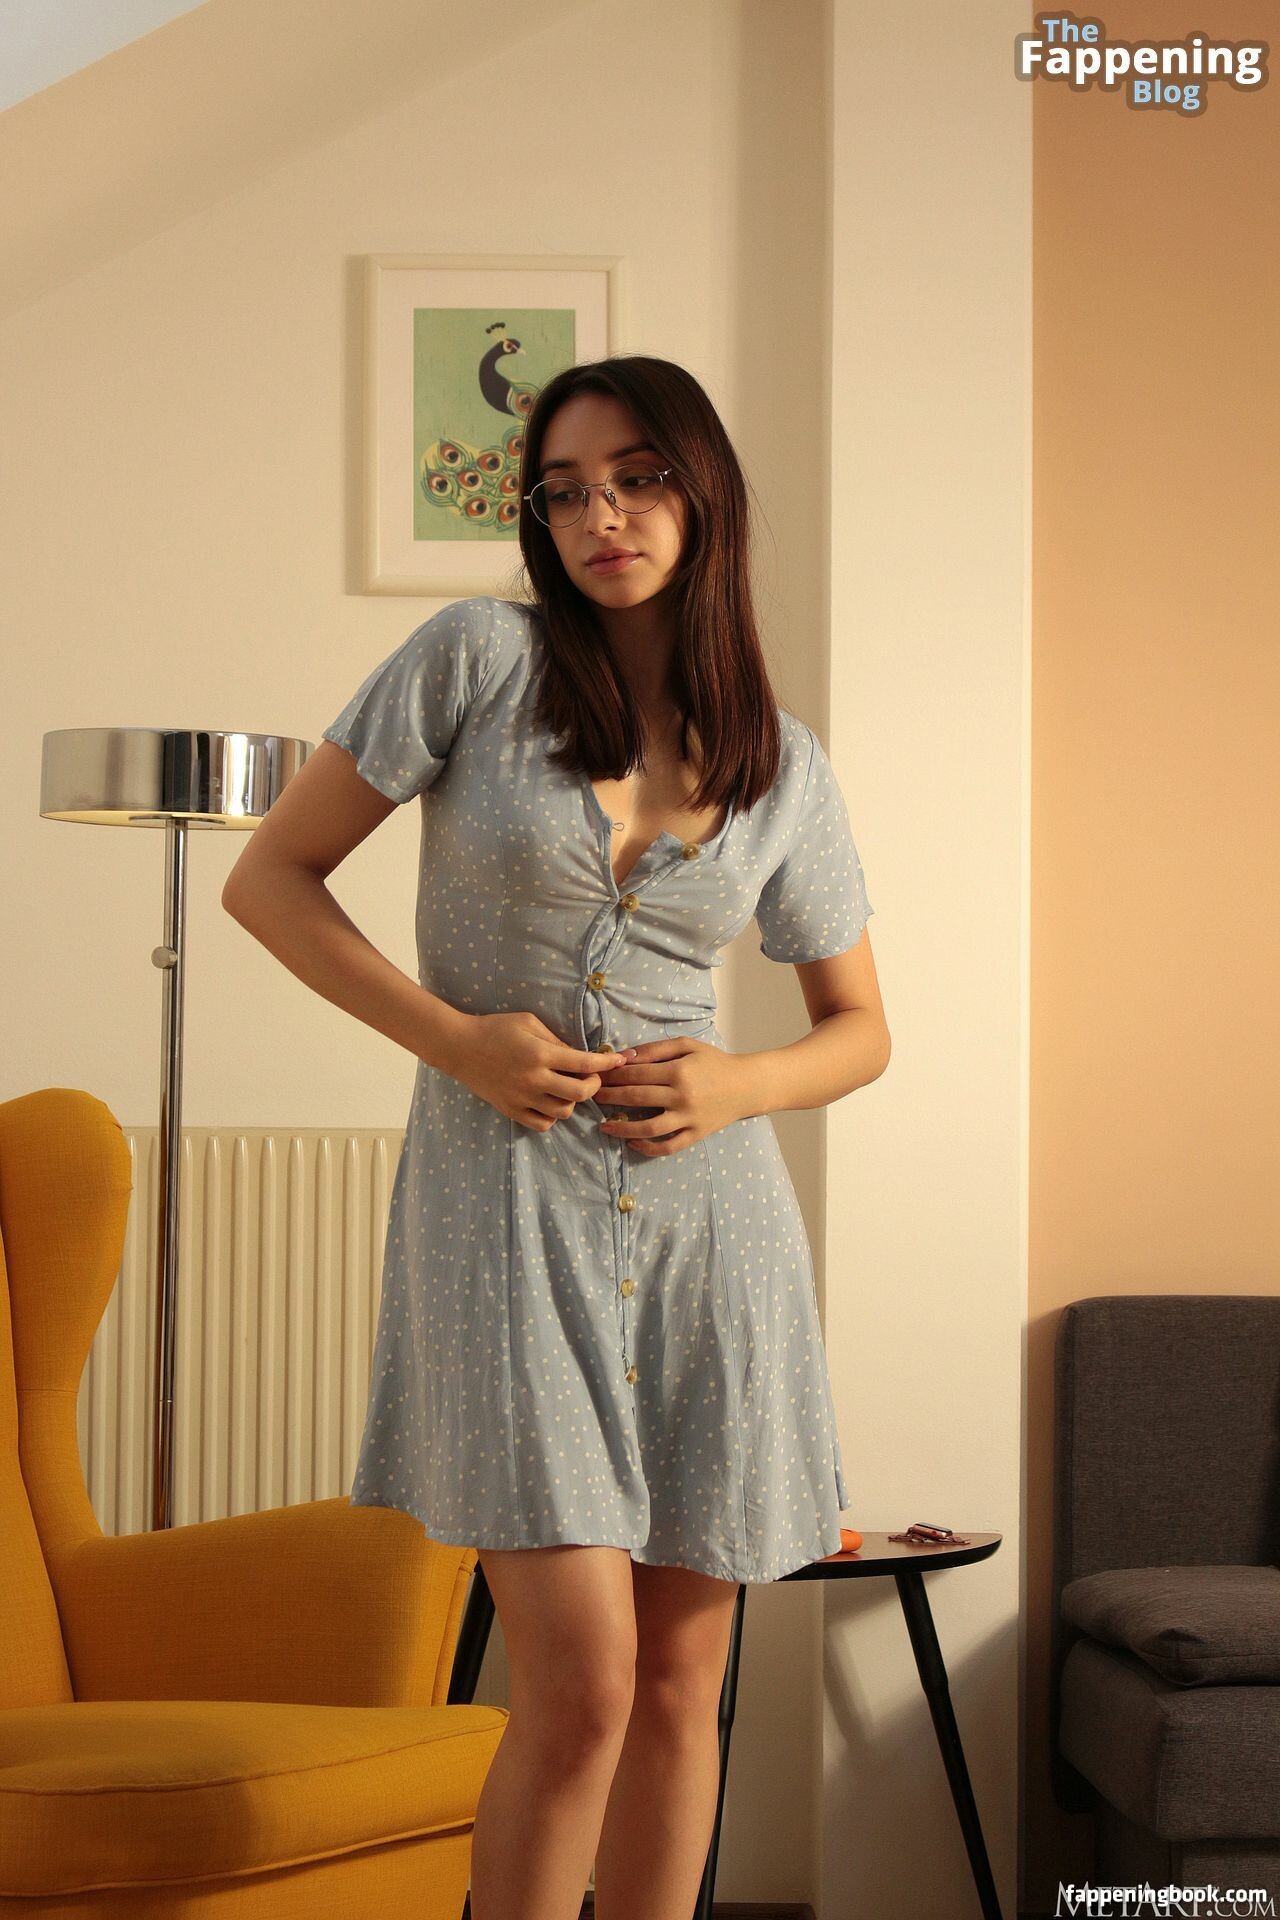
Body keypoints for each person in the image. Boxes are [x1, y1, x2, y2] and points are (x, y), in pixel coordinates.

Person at [221, 353, 891, 1920]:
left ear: (703, 495)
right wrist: (455, 1041)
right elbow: (269, 881)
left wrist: (737, 1085)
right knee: (580, 1683)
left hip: (715, 1234)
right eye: (569, 491)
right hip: (502, 1218)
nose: (604, 517)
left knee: (678, 1686)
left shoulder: (785, 763)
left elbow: (860, 1028)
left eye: (639, 479)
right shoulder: (475, 662)